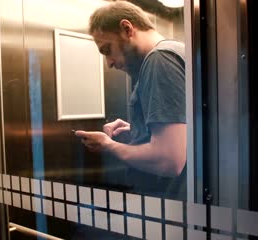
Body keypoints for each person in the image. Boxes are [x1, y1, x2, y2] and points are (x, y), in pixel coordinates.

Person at [75, 1, 186, 199]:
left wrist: (109, 145)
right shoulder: (176, 50)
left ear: (127, 29)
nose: (108, 63)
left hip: (172, 207)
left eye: (107, 49)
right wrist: (139, 130)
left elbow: (169, 160)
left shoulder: (160, 60)